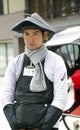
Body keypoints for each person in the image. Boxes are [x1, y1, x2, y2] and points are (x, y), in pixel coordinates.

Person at [1, 12, 67, 130]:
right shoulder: (16, 62)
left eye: (35, 34)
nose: (30, 39)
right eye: (26, 34)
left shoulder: (56, 61)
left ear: (44, 35)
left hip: (48, 126)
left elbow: (60, 99)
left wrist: (43, 127)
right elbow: (6, 96)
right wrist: (15, 125)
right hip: (20, 125)